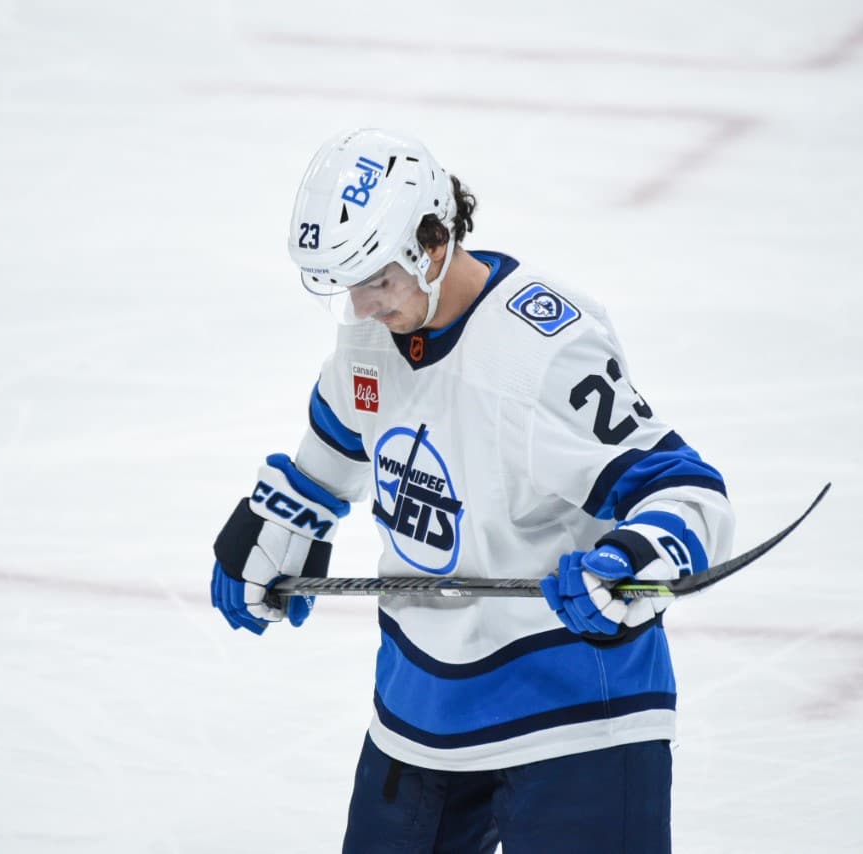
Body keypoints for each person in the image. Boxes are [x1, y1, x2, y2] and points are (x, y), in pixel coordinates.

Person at [210, 128, 735, 853]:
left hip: (572, 717)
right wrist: (278, 531)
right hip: (421, 710)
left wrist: (634, 559)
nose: (360, 307)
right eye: (344, 286)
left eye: (376, 280)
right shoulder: (369, 334)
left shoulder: (544, 350)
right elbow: (330, 449)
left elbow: (687, 494)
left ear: (431, 242)